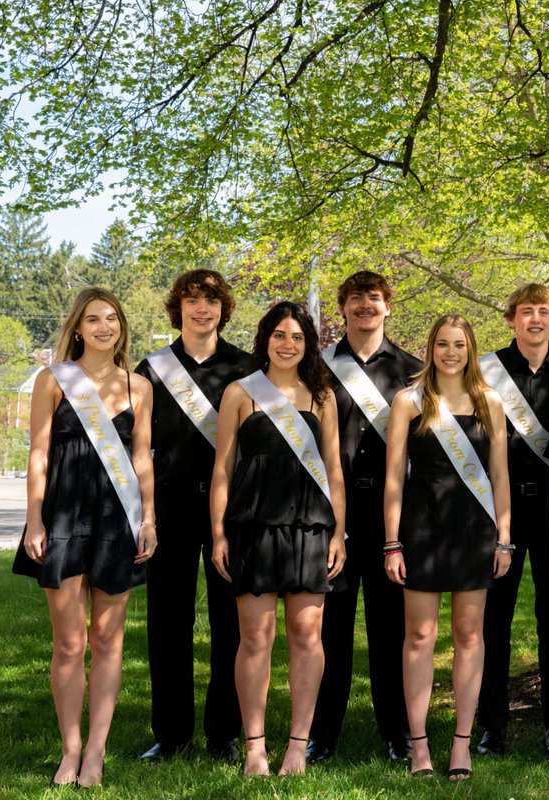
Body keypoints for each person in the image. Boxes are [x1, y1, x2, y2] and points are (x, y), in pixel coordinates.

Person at [14, 287, 157, 787]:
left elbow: (141, 459)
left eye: (112, 318)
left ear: (121, 325)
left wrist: (149, 519)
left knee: (107, 640)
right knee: (70, 643)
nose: (104, 327)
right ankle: (70, 750)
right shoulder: (53, 380)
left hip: (119, 519)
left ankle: (96, 752)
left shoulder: (138, 386)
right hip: (63, 514)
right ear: (78, 327)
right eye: (93, 319)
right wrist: (34, 520)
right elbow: (38, 454)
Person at [210, 301, 347, 776]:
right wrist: (219, 533)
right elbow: (223, 470)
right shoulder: (240, 393)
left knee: (308, 637)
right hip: (252, 528)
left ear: (307, 345)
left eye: (297, 337)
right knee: (255, 639)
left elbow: (333, 471)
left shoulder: (322, 397)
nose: (288, 345)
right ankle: (254, 749)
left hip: (310, 528)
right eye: (279, 335)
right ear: (265, 338)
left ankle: (296, 747)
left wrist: (338, 534)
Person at [383, 314, 512, 781]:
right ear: (431, 348)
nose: (451, 352)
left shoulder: (489, 402)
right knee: (418, 638)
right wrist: (392, 543)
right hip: (421, 530)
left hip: (474, 531)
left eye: (460, 344)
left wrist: (504, 538)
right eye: (442, 344)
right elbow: (394, 477)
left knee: (468, 636)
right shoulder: (408, 401)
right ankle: (419, 746)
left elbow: (499, 476)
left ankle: (461, 745)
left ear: (471, 349)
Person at [308, 271, 421, 764]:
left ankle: (397, 733)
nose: (365, 307)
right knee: (327, 627)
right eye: (355, 300)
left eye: (373, 299)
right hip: (329, 510)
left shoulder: (416, 371)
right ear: (343, 309)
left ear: (388, 307)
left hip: (391, 513)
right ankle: (321, 734)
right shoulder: (319, 370)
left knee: (390, 626)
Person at [135, 270, 248, 762]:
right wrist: (147, 515)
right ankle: (171, 734)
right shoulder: (152, 368)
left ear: (224, 309)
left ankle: (224, 732)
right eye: (193, 300)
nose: (202, 309)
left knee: (233, 623)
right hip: (172, 505)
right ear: (177, 307)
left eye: (212, 301)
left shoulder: (248, 367)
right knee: (168, 622)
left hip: (233, 509)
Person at [476, 284, 549, 759]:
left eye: (543, 311)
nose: (535, 319)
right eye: (525, 312)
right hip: (499, 509)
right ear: (511, 319)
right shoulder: (485, 370)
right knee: (490, 621)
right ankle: (490, 726)